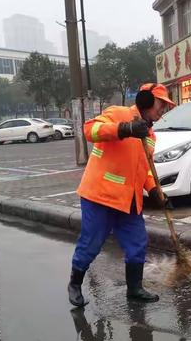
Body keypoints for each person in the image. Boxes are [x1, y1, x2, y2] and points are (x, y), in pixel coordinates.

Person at [68, 83, 176, 307]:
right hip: (100, 195)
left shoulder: (150, 135)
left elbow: (145, 168)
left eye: (166, 107)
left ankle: (134, 289)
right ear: (145, 100)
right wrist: (124, 129)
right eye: (161, 104)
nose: (163, 110)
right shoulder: (119, 113)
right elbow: (90, 131)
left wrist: (155, 191)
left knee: (137, 243)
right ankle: (75, 283)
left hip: (129, 199)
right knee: (92, 242)